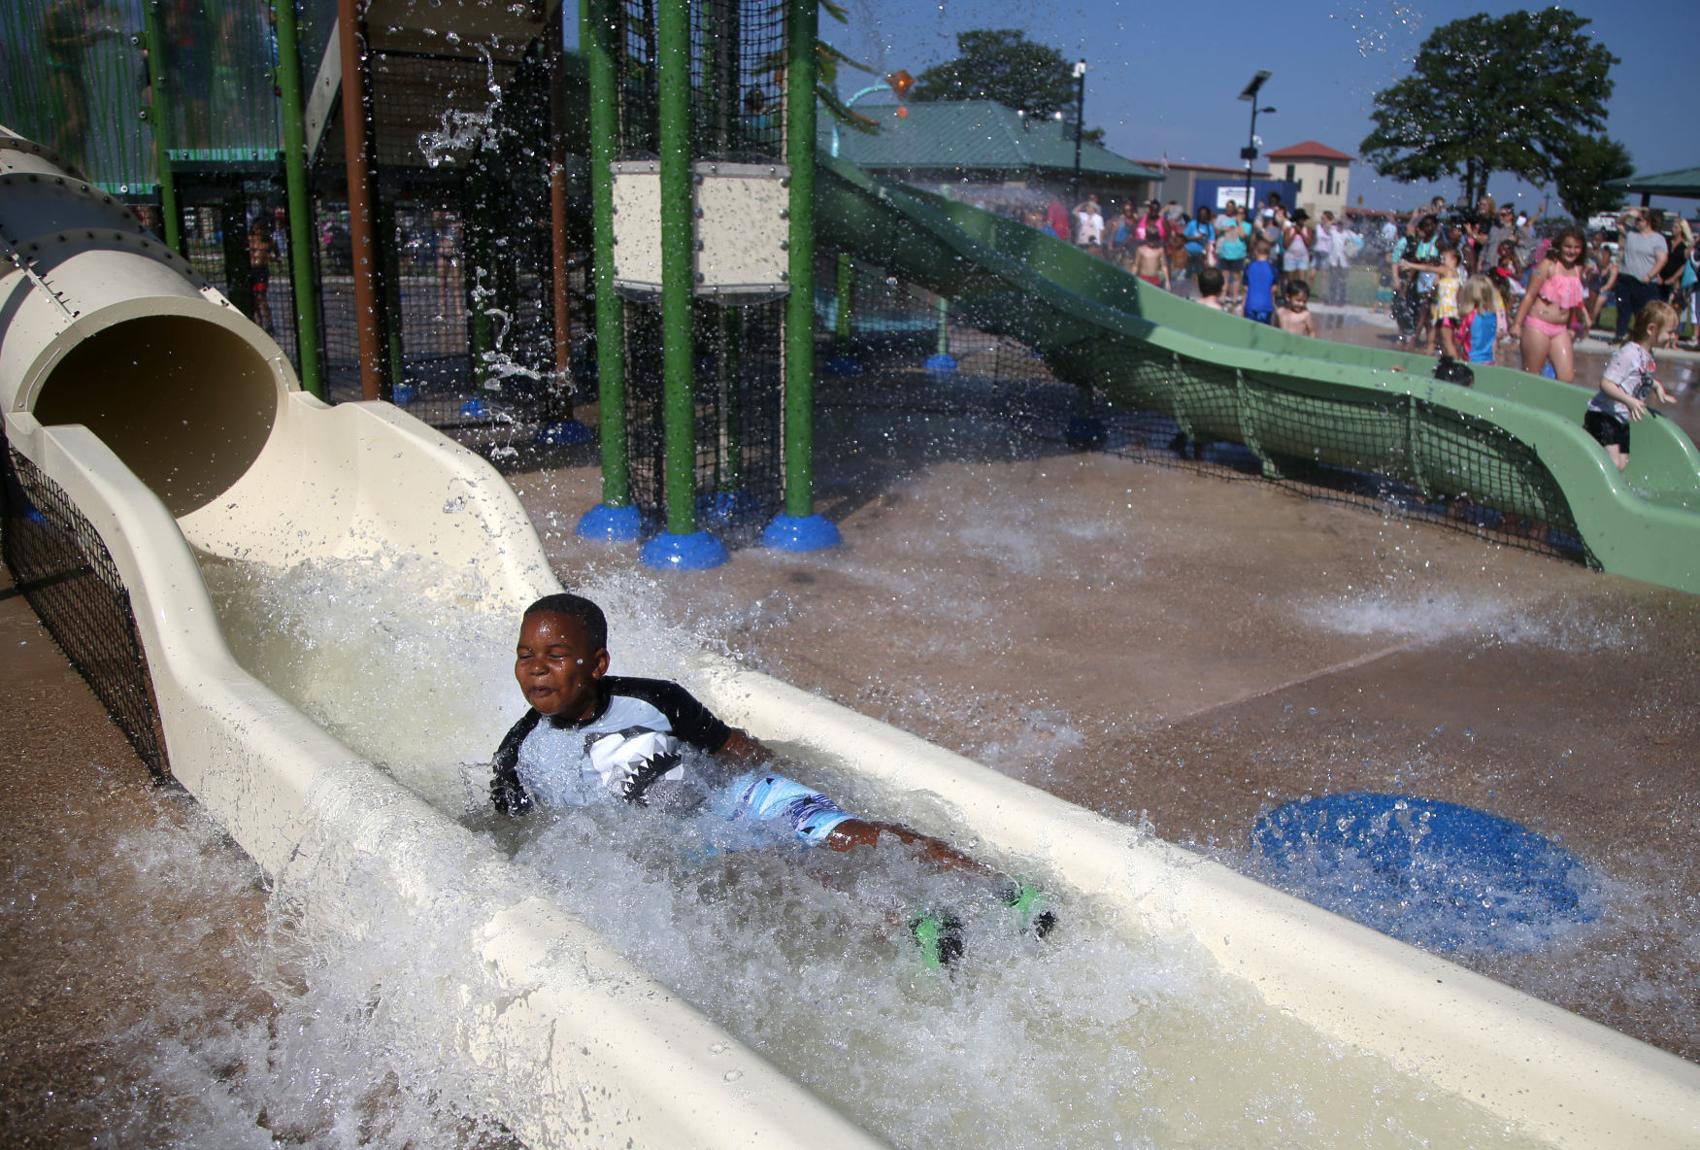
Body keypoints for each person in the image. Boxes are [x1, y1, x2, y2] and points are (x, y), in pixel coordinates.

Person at [490, 595, 1052, 961]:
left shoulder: (654, 699)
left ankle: (1004, 889)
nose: (537, 667)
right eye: (525, 655)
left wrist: (795, 781)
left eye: (556, 654)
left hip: (738, 797)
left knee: (849, 832)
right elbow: (523, 837)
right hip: (687, 844)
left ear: (597, 663)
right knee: (786, 869)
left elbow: (734, 748)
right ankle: (921, 929)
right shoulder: (519, 756)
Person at [1582, 302, 1677, 472]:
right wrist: (1629, 401)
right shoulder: (1629, 353)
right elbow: (1606, 383)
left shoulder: (1647, 355)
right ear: (1651, 329)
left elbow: (1640, 377)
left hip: (1620, 418)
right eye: (1669, 332)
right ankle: (1589, 480)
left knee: (1622, 464)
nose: (1673, 336)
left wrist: (1656, 386)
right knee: (1613, 463)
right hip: (1603, 415)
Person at [1512, 226, 1588, 382]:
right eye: (1568, 246)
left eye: (1576, 247)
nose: (1572, 251)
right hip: (1537, 325)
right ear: (1559, 246)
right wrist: (1517, 324)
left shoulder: (1578, 269)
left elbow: (1573, 302)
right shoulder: (1547, 265)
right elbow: (1529, 296)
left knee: (1567, 378)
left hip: (1560, 329)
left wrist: (1576, 324)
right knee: (1532, 376)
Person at [1614, 210, 1669, 343]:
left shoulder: (1657, 239)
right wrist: (1628, 214)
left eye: (1639, 220)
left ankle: (1642, 340)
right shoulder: (1631, 233)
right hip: (1626, 277)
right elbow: (1618, 223)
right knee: (1623, 309)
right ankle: (1620, 335)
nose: (1636, 222)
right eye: (1636, 220)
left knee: (1643, 314)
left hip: (1644, 282)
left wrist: (1650, 275)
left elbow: (1662, 259)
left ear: (1648, 222)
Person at [1458, 276, 1506, 366]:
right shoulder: (1493, 316)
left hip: (1471, 361)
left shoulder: (1469, 317)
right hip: (1489, 361)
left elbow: (1459, 338)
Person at [1215, 202, 1251, 308]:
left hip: (1238, 254)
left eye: (1241, 213)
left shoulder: (1247, 225)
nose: (1239, 215)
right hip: (1225, 253)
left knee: (1236, 277)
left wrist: (1239, 223)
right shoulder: (1228, 221)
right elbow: (1219, 231)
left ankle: (1234, 297)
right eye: (1237, 213)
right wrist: (1224, 229)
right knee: (1224, 276)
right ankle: (1223, 295)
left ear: (1244, 215)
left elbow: (1243, 236)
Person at [1242, 237, 1278, 325]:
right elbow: (1274, 289)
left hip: (1250, 304)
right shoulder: (1272, 269)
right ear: (1269, 253)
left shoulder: (1249, 267)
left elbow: (1246, 288)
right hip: (1266, 305)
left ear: (1255, 251)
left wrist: (1242, 306)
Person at [1182, 206, 1216, 292]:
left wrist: (1207, 255)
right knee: (1187, 273)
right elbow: (1183, 237)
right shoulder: (1192, 224)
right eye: (1201, 214)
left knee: (1200, 274)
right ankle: (1186, 290)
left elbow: (1211, 242)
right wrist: (1195, 238)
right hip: (1188, 253)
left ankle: (1197, 291)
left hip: (1201, 254)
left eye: (1204, 214)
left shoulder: (1210, 227)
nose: (1202, 216)